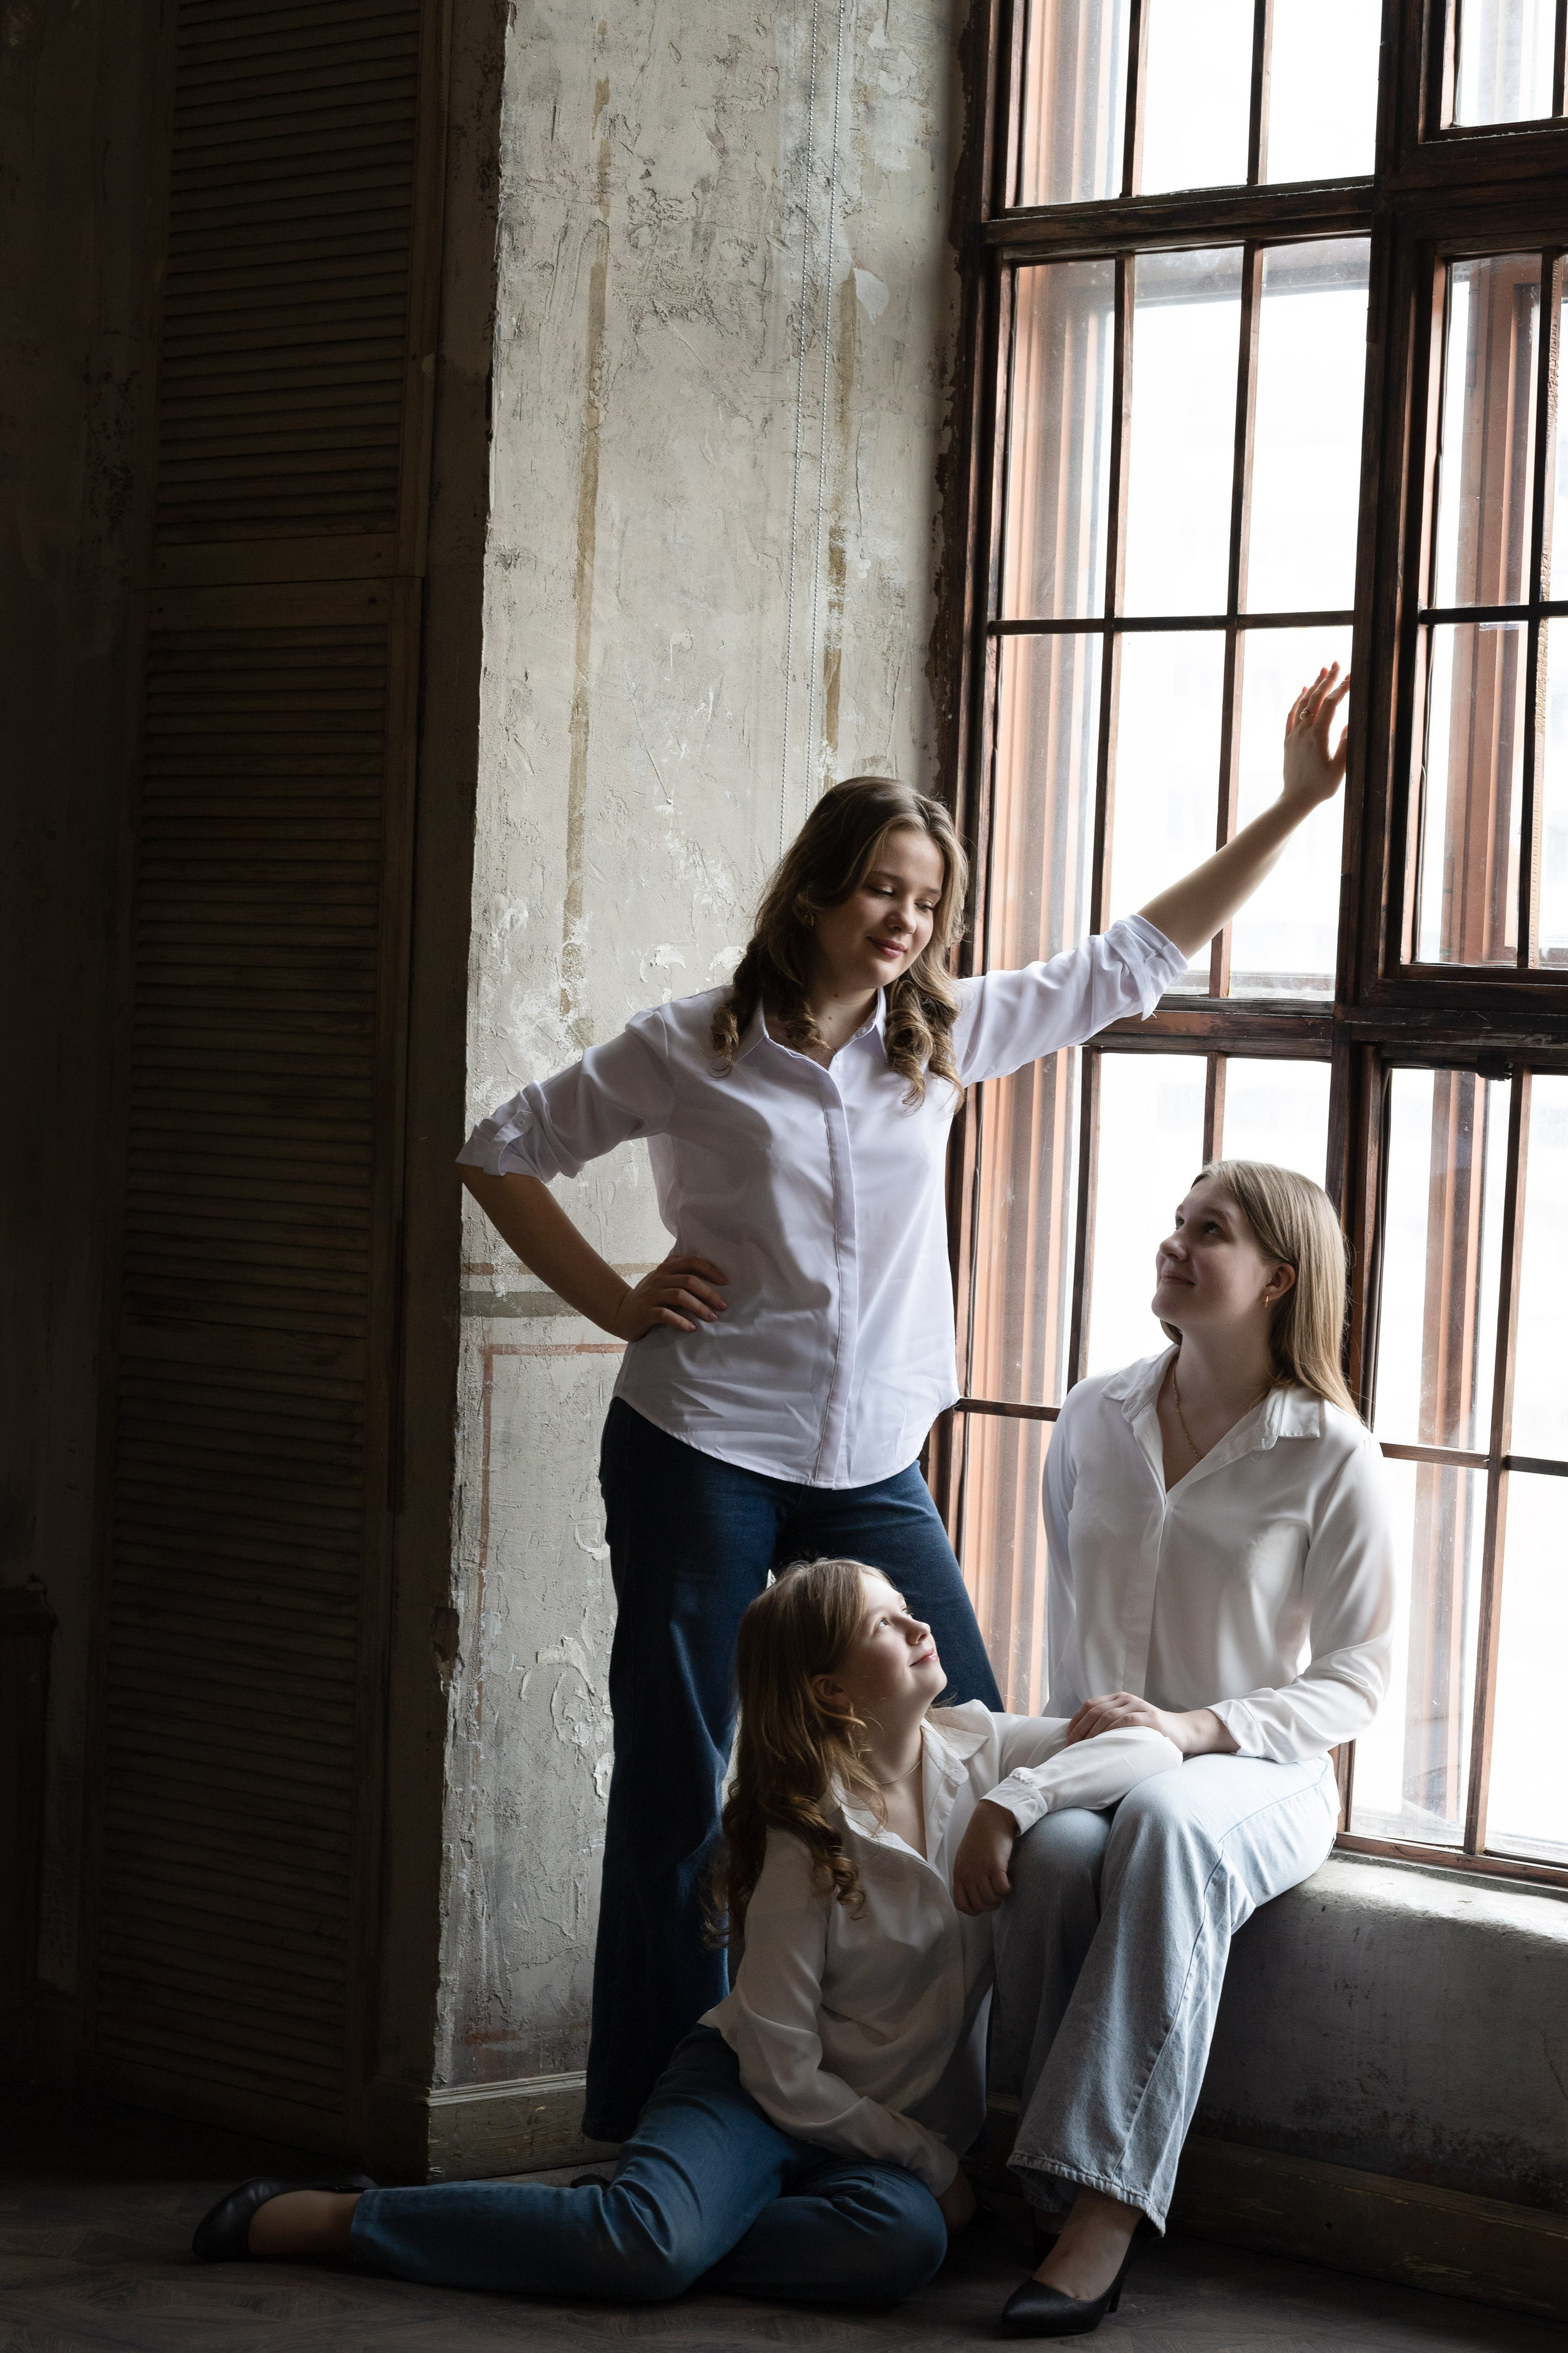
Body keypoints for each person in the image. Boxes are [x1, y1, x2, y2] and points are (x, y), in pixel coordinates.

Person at [458, 665, 1354, 2140]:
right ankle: (647, 2117)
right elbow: (501, 1148)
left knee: (975, 1741)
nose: (903, 923)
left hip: (868, 1465)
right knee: (684, 1780)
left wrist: (1293, 806)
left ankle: (931, 2103)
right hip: (698, 1445)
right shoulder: (691, 1046)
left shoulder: (933, 1042)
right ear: (815, 891)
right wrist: (618, 1299)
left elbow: (1129, 958)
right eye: (879, 889)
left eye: (926, 902)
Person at [190, 1558, 1183, 2306]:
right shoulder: (803, 1834)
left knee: (900, 2249)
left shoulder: (982, 1747)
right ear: (833, 1690)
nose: (922, 1621)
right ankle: (340, 2217)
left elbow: (1146, 1741)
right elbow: (787, 2074)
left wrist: (1014, 1808)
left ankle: (643, 2219)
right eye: (886, 1622)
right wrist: (931, 2163)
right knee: (655, 2250)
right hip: (753, 2092)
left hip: (864, 2146)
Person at [958, 1159, 1395, 2337]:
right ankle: (1025, 2171)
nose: (1179, 1242)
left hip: (1256, 1771)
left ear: (1277, 1281)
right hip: (1101, 1756)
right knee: (1052, 1861)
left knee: (1162, 1823)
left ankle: (1104, 2203)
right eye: (1178, 1221)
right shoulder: (1093, 1412)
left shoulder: (1333, 1454)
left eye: (1215, 1231)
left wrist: (1199, 1728)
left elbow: (1361, 1677)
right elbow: (1066, 1607)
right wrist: (1068, 1763)